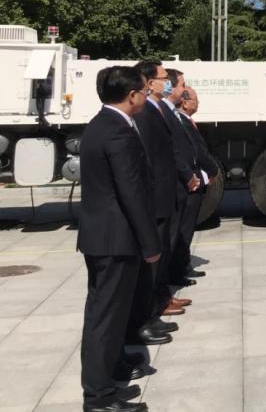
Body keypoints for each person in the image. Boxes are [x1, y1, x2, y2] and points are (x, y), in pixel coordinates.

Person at [78, 66, 158, 412]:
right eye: (143, 91)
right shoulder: (118, 133)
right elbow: (132, 193)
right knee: (104, 319)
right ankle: (98, 398)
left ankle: (107, 378)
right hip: (115, 239)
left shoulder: (102, 124)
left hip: (103, 236)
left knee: (107, 314)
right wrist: (150, 244)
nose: (145, 96)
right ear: (132, 95)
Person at [126, 61, 195, 344]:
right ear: (149, 81)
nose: (168, 82)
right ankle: (147, 316)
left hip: (166, 194)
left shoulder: (157, 110)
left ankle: (157, 306)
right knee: (152, 261)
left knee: (162, 254)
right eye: (164, 78)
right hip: (158, 197)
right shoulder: (145, 114)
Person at [165, 77, 213, 284]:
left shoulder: (183, 120)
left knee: (186, 228)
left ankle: (181, 266)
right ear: (185, 102)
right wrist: (210, 170)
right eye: (194, 98)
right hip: (188, 184)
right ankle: (177, 270)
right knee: (182, 229)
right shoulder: (179, 121)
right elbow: (192, 152)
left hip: (194, 181)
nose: (198, 103)